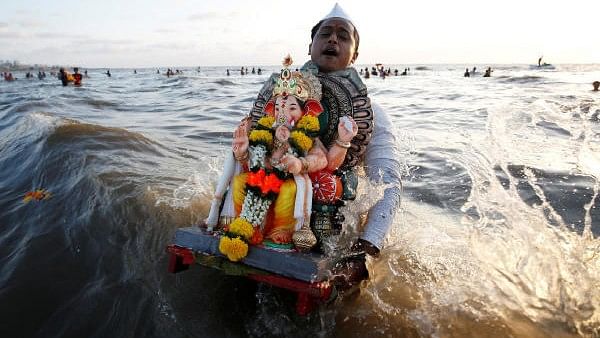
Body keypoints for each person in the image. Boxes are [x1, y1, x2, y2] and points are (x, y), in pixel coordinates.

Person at [234, 3, 400, 289]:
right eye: (326, 33)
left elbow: (388, 184)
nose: (333, 39)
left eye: (343, 36)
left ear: (355, 55)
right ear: (310, 46)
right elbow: (250, 155)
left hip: (329, 217)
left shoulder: (372, 115)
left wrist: (364, 250)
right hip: (270, 212)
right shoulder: (281, 103)